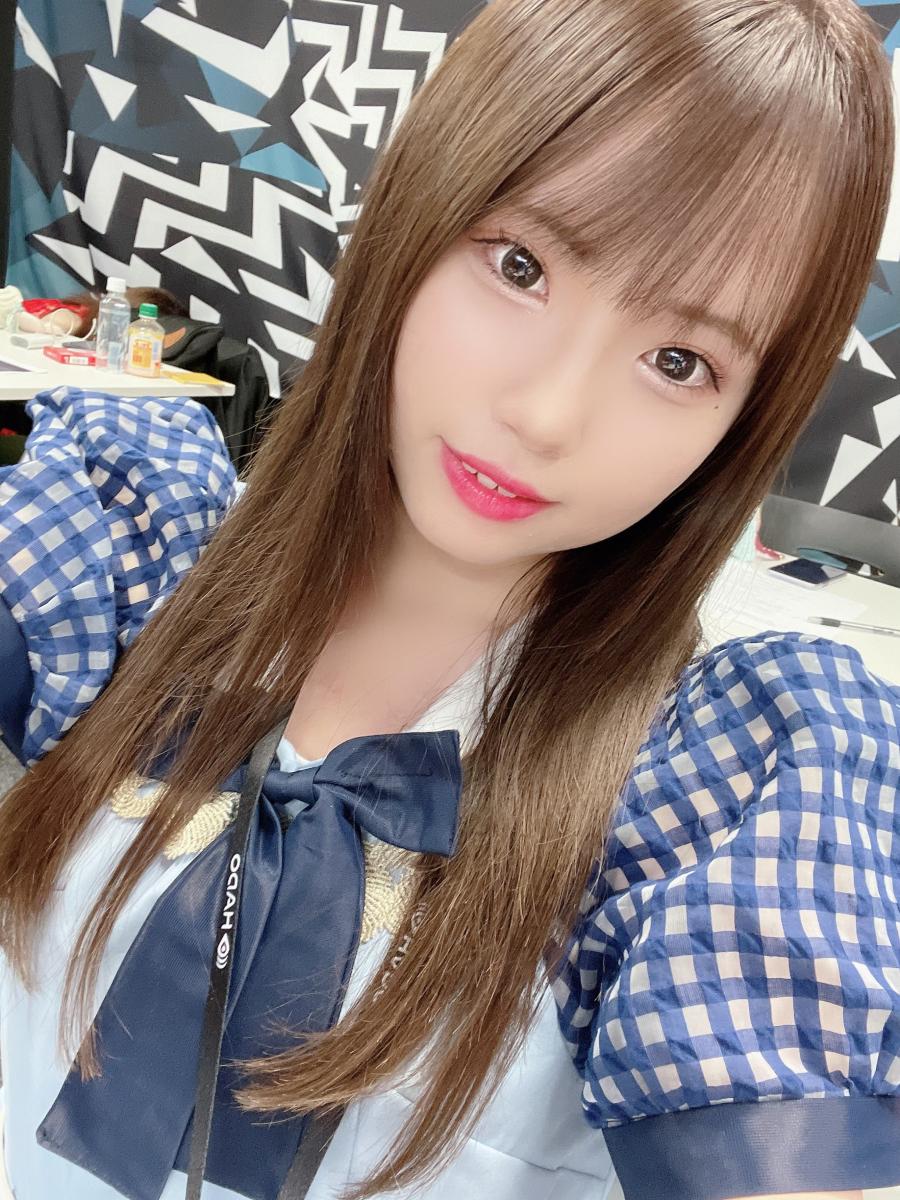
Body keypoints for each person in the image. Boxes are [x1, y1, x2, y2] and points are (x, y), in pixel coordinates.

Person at [0, 0, 898, 1197]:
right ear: (416, 213)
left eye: (679, 361)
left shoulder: (716, 794)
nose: (547, 413)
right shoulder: (134, 551)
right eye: (521, 266)